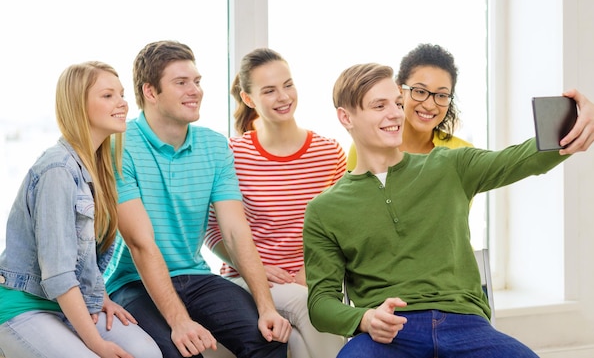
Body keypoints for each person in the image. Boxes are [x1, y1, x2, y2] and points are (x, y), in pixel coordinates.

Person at [303, 63, 594, 358]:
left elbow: (523, 158)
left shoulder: (450, 165)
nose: (395, 113)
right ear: (346, 117)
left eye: (397, 103)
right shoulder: (324, 209)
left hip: (466, 324)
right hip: (388, 334)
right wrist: (366, 319)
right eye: (379, 106)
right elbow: (320, 303)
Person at [103, 41, 291, 358]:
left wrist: (266, 307)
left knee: (269, 337)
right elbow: (140, 244)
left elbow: (235, 231)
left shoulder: (214, 146)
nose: (195, 90)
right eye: (181, 83)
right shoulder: (119, 145)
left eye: (197, 81)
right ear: (150, 92)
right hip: (133, 282)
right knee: (181, 352)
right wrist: (179, 322)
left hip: (196, 276)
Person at [0, 62, 162, 358]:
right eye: (108, 95)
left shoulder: (97, 167)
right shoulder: (57, 169)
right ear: (78, 105)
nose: (122, 103)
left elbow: (84, 258)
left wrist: (100, 297)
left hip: (69, 301)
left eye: (121, 94)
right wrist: (96, 344)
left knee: (147, 353)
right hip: (25, 303)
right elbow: (58, 273)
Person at [204, 48, 347, 358]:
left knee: (296, 338)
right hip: (246, 280)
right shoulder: (232, 155)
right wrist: (256, 267)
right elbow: (213, 230)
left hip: (310, 280)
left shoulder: (330, 153)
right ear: (249, 99)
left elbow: (341, 230)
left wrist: (309, 276)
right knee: (307, 307)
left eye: (288, 84)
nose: (283, 96)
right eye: (269, 90)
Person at [346, 43, 471, 170]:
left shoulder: (463, 154)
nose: (429, 105)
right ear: (400, 91)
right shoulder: (366, 147)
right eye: (420, 92)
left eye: (441, 95)